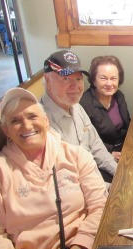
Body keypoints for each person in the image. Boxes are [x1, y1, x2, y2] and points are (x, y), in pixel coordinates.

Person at [0, 87, 115, 249]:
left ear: (46, 121)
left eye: (32, 116)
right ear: (6, 131)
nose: (26, 125)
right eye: (15, 121)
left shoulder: (75, 155)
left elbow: (100, 206)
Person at [41, 50, 118, 184]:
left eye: (78, 79)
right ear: (48, 81)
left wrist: (120, 172)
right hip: (77, 188)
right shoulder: (41, 121)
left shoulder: (75, 106)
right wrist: (109, 189)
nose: (75, 86)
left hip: (95, 175)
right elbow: (67, 178)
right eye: (66, 78)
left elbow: (96, 147)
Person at [80, 55, 131, 161]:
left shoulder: (119, 96)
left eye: (113, 78)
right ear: (94, 80)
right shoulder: (84, 103)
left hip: (125, 147)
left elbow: (127, 125)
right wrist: (109, 152)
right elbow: (85, 140)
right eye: (103, 78)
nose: (109, 83)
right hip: (103, 155)